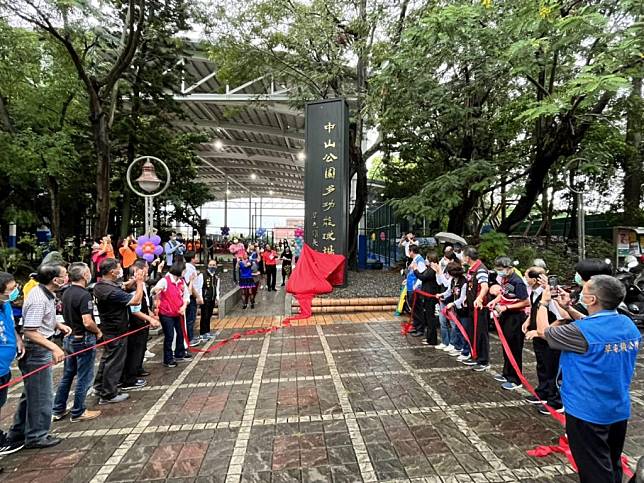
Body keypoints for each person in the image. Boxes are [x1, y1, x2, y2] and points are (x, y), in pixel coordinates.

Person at [532, 275, 640, 483]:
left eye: (584, 290)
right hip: (617, 408)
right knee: (611, 461)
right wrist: (570, 309)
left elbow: (543, 331)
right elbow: (593, 327)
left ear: (591, 300)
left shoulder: (581, 332)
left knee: (594, 470)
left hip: (587, 412)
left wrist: (544, 303)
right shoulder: (626, 323)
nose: (580, 292)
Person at [7, 264, 70, 449]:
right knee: (42, 396)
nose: (66, 277)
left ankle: (18, 432)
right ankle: (36, 436)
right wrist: (54, 348)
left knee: (31, 394)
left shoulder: (45, 294)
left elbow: (41, 320)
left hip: (41, 345)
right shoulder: (38, 298)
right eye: (64, 275)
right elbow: (31, 331)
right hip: (36, 350)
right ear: (55, 279)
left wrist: (58, 326)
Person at [52, 263, 103, 423]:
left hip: (69, 338)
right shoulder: (83, 295)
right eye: (88, 272)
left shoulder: (66, 292)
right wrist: (98, 331)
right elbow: (87, 321)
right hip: (83, 339)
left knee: (68, 375)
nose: (90, 274)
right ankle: (78, 411)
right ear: (83, 276)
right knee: (84, 376)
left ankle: (58, 408)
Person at [93, 258, 144, 404]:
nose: (120, 269)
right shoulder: (109, 290)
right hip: (116, 329)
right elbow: (135, 300)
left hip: (110, 328)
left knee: (107, 358)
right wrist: (140, 283)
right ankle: (109, 393)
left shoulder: (102, 285)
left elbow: (123, 286)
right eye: (118, 268)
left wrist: (133, 281)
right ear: (111, 272)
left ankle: (99, 386)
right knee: (115, 361)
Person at [521, 266, 564, 415]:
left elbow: (562, 318)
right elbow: (535, 310)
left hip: (550, 339)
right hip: (538, 337)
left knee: (553, 369)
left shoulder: (549, 296)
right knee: (542, 366)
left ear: (535, 280)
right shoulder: (535, 293)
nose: (525, 279)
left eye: (526, 276)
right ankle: (543, 392)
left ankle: (555, 402)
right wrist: (528, 321)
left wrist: (541, 332)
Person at [488, 256, 530, 389]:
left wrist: (506, 307)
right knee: (506, 346)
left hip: (516, 318)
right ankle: (507, 373)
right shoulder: (506, 279)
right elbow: (504, 293)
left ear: (510, 268)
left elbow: (526, 301)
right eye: (497, 269)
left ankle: (516, 379)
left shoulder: (518, 282)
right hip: (505, 316)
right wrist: (495, 301)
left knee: (514, 348)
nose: (499, 272)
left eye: (501, 269)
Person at [120, 259, 160, 390]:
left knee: (140, 349)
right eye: (142, 273)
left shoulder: (141, 285)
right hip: (135, 325)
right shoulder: (132, 288)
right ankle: (129, 379)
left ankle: (137, 369)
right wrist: (150, 319)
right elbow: (135, 309)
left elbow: (144, 303)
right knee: (134, 351)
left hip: (143, 323)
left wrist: (150, 315)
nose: (144, 274)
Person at [0, 272, 25, 456]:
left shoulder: (5, 304)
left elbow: (10, 325)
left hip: (4, 368)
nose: (15, 291)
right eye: (11, 289)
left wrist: (17, 339)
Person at [152, 261, 191, 368]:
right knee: (169, 335)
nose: (185, 272)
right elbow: (154, 290)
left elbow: (186, 296)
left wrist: (183, 307)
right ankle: (168, 359)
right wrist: (156, 290)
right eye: (184, 270)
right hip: (166, 313)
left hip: (178, 312)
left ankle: (180, 353)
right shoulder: (165, 281)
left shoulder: (181, 282)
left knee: (180, 333)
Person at [460, 247, 492, 372]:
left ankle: (483, 361)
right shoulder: (471, 270)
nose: (462, 259)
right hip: (471, 306)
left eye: (463, 256)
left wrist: (479, 299)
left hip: (480, 308)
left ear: (468, 258)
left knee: (481, 334)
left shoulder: (481, 270)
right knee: (473, 332)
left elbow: (485, 287)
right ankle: (476, 356)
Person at [440, 261, 469, 357]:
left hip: (464, 310)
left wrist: (453, 304)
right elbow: (449, 291)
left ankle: (466, 351)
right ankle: (458, 347)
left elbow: (462, 298)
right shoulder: (453, 281)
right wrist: (442, 294)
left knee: (463, 330)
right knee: (456, 329)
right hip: (456, 310)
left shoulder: (464, 282)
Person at [412, 252, 441, 346]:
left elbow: (422, 277)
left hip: (431, 296)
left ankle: (432, 340)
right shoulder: (429, 268)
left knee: (430, 318)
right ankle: (429, 338)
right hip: (426, 295)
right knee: (428, 317)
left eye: (427, 259)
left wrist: (415, 269)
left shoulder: (433, 270)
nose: (425, 260)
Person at [183, 252, 203, 347]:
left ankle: (190, 336)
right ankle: (189, 338)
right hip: (190, 295)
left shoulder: (191, 268)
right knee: (190, 318)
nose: (198, 258)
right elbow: (189, 285)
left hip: (192, 294)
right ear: (192, 258)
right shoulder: (188, 269)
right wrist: (198, 296)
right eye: (196, 256)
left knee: (191, 317)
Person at [199, 259, 220, 340]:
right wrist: (200, 298)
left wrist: (217, 297)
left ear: (216, 266)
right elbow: (199, 287)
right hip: (205, 299)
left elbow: (217, 288)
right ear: (208, 265)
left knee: (209, 315)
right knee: (204, 316)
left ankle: (207, 332)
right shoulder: (202, 275)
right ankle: (202, 333)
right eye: (210, 265)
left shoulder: (216, 276)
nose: (212, 267)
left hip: (212, 299)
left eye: (214, 265)